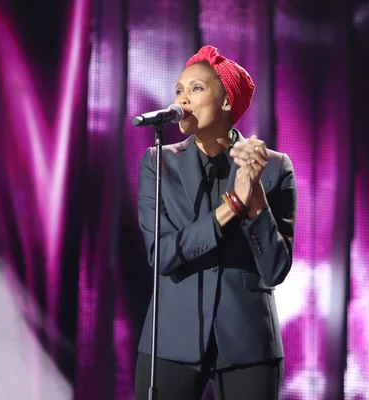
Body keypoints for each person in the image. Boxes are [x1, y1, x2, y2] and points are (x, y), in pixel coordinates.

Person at [134, 45, 297, 400]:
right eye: (179, 90)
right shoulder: (159, 164)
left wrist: (254, 198)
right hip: (171, 337)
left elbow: (275, 270)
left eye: (196, 88)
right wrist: (231, 204)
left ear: (225, 102)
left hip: (248, 343)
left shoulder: (273, 167)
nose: (183, 98)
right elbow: (162, 255)